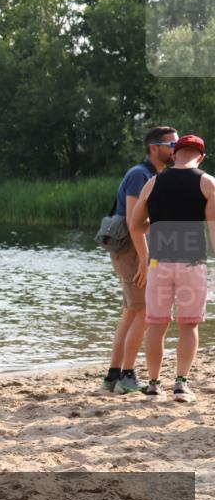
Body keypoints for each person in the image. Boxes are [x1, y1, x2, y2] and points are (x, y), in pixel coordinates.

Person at [129, 134, 215, 402]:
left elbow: (134, 225)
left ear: (175, 153)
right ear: (201, 157)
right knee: (189, 325)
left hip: (159, 264)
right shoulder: (208, 182)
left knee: (156, 325)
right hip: (192, 264)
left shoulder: (153, 182)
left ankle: (154, 385)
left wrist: (145, 255)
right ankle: (181, 385)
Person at [103, 126, 178, 394]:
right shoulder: (139, 174)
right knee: (145, 312)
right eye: (172, 144)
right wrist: (145, 261)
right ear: (154, 147)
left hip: (137, 249)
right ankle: (127, 376)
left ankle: (113, 377)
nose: (176, 148)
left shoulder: (155, 175)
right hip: (133, 250)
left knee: (132, 312)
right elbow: (134, 222)